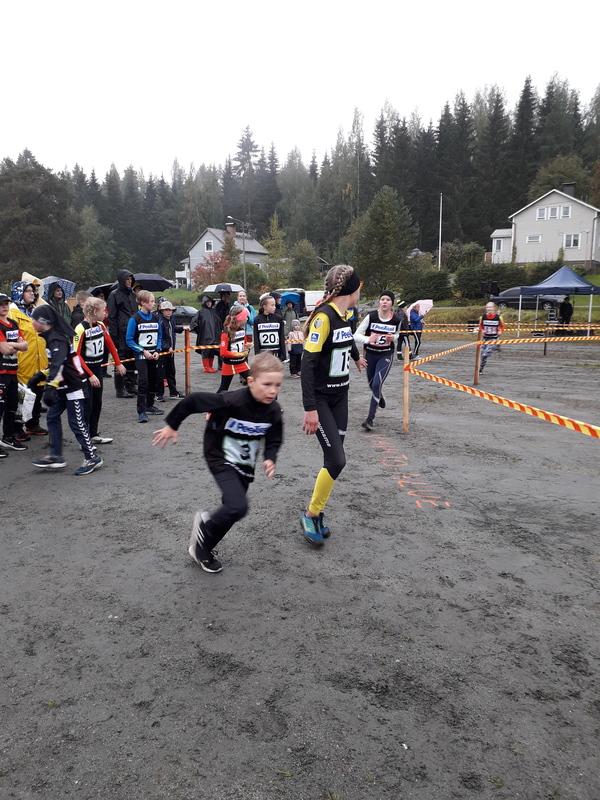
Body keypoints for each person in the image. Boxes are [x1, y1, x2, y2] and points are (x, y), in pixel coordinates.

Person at [152, 352, 284, 574]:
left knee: (232, 509)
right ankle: (205, 525)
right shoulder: (232, 401)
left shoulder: (273, 410)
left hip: (244, 463)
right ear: (251, 381)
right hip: (219, 456)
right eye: (267, 384)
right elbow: (193, 400)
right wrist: (172, 425)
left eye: (277, 385)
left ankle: (201, 550)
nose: (273, 390)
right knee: (237, 506)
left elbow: (274, 437)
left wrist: (270, 457)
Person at [300, 265, 366, 546]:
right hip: (322, 400)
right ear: (351, 290)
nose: (361, 292)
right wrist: (310, 408)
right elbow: (307, 364)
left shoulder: (346, 315)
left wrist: (356, 357)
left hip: (341, 397)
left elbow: (347, 338)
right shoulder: (324, 317)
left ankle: (317, 513)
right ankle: (310, 514)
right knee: (338, 459)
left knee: (333, 462)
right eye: (359, 287)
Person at [28, 305, 102, 475]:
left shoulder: (56, 338)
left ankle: (92, 457)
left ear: (43, 321)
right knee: (52, 417)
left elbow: (59, 363)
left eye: (34, 319)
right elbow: (57, 363)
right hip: (63, 385)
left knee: (76, 423)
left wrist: (50, 386)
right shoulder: (51, 337)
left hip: (74, 386)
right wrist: (40, 375)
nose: (32, 322)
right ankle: (56, 456)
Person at [73, 296, 126, 445]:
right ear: (95, 311)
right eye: (103, 310)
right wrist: (90, 375)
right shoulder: (80, 328)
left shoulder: (101, 325)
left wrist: (118, 363)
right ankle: (84, 439)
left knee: (97, 403)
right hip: (85, 371)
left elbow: (110, 344)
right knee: (87, 405)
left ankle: (93, 434)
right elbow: (76, 356)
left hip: (97, 368)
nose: (106, 313)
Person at [354, 290, 407, 431]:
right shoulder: (371, 317)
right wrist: (368, 339)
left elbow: (397, 335)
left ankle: (370, 419)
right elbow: (356, 335)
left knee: (377, 383)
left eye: (388, 300)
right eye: (382, 299)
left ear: (392, 303)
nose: (384, 302)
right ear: (379, 302)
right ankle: (379, 396)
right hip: (370, 355)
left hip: (385, 355)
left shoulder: (396, 319)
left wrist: (393, 338)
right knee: (372, 385)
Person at [9, 281, 48, 438]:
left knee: (37, 394)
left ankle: (33, 424)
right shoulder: (12, 313)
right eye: (28, 291)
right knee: (21, 397)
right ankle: (16, 429)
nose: (32, 293)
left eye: (33, 290)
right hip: (23, 362)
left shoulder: (35, 311)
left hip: (39, 360)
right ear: (19, 293)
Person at [126, 290, 164, 423]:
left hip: (153, 354)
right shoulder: (134, 319)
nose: (154, 304)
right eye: (151, 301)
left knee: (154, 380)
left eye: (154, 301)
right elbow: (129, 340)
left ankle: (149, 405)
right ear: (143, 302)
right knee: (143, 382)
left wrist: (157, 350)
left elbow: (160, 336)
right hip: (142, 355)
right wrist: (143, 351)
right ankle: (141, 411)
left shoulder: (156, 318)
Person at [0, 293, 29, 455]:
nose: (4, 306)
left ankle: (8, 437)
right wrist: (15, 344)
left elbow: (25, 346)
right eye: (1, 304)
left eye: (6, 303)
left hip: (13, 370)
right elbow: (4, 349)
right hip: (1, 372)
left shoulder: (13, 323)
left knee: (12, 405)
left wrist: (11, 344)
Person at [107, 270, 139, 398]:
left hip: (133, 332)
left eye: (131, 279)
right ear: (121, 280)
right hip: (120, 334)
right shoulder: (114, 295)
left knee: (132, 360)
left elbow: (136, 313)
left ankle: (131, 386)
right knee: (120, 360)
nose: (129, 281)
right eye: (127, 279)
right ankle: (120, 389)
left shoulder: (133, 294)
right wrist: (114, 336)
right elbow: (112, 317)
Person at [155, 300, 184, 401]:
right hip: (162, 351)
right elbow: (160, 337)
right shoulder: (160, 321)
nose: (168, 312)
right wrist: (167, 347)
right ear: (162, 311)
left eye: (170, 310)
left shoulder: (171, 319)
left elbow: (172, 329)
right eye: (166, 310)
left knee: (171, 371)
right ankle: (158, 394)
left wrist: (182, 328)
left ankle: (173, 392)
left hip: (170, 351)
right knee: (160, 373)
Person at [217, 304, 250, 392]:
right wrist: (238, 354)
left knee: (254, 382)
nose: (247, 319)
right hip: (229, 364)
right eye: (246, 317)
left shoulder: (242, 329)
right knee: (223, 388)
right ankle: (212, 401)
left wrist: (247, 348)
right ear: (240, 318)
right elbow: (223, 352)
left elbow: (244, 344)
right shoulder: (226, 333)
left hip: (241, 363)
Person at [191, 296, 220, 373]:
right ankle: (206, 367)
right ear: (204, 303)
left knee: (212, 351)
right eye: (207, 302)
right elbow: (194, 322)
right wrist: (199, 330)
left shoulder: (214, 312)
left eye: (210, 302)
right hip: (205, 336)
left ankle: (210, 366)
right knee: (206, 351)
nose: (209, 303)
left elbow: (218, 323)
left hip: (214, 336)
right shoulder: (200, 312)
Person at [254, 295, 286, 361]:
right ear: (264, 306)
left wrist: (283, 354)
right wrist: (257, 355)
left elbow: (281, 337)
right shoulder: (257, 319)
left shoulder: (279, 318)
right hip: (263, 354)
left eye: (275, 305)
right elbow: (256, 339)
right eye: (272, 305)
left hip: (276, 353)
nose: (274, 307)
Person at [478, 301, 505, 374]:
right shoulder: (483, 316)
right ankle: (480, 369)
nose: (488, 308)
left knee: (485, 354)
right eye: (487, 307)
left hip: (493, 339)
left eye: (490, 307)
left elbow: (502, 326)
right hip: (485, 338)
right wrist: (482, 330)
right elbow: (481, 326)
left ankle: (496, 346)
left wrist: (500, 331)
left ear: (493, 308)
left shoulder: (498, 317)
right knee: (482, 355)